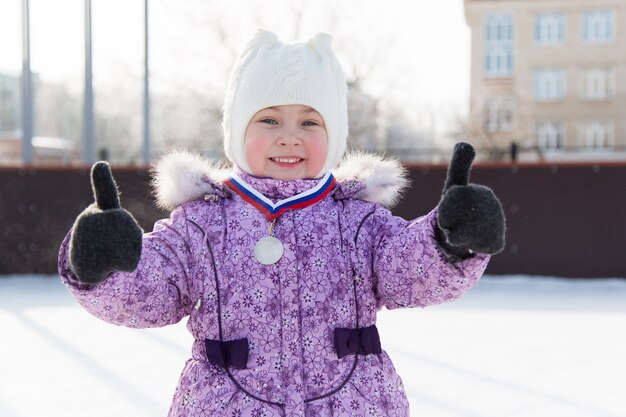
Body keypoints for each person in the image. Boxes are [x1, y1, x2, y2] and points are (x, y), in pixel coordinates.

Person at [59, 30, 505, 417]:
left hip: (355, 403)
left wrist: (449, 241)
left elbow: (407, 269)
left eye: (309, 121)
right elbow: (152, 291)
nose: (288, 136)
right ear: (236, 132)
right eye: (268, 119)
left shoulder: (358, 220)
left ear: (333, 137)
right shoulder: (200, 224)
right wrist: (106, 265)